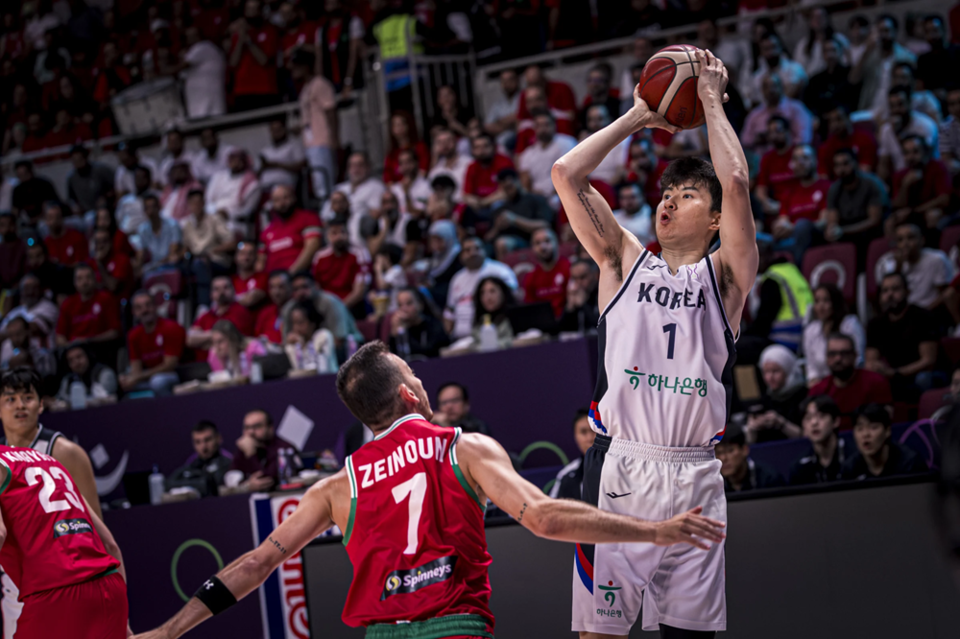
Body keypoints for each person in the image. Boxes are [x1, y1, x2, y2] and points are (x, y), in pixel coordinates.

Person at [130, 342, 724, 639]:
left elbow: (258, 563)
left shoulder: (339, 486)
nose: (419, 377)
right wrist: (653, 529)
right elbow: (542, 517)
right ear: (411, 395)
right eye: (413, 372)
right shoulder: (463, 447)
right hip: (453, 624)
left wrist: (168, 631)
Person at [553, 49, 757, 637]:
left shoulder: (724, 280)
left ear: (716, 221)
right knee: (600, 635)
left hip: (696, 474)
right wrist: (641, 115)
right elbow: (567, 173)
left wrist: (711, 100)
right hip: (621, 468)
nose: (668, 201)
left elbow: (737, 182)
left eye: (688, 196)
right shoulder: (622, 261)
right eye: (667, 194)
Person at [0, 367, 113, 635]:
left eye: (27, 397)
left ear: (41, 404)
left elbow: (97, 531)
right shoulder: (3, 457)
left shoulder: (65, 452)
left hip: (61, 580)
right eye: (10, 399)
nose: (20, 406)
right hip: (14, 585)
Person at [0, 442, 129, 638]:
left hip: (57, 594)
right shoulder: (47, 460)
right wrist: (123, 619)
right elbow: (111, 544)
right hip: (110, 587)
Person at [865, 272, 941, 403]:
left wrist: (895, 373)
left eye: (895, 289)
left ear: (907, 291)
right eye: (885, 291)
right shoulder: (875, 324)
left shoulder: (923, 317)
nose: (890, 295)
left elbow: (928, 361)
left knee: (923, 379)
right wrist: (878, 368)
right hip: (894, 375)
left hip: (925, 374)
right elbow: (870, 361)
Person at [808, 332, 893, 428]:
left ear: (855, 355)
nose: (838, 358)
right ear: (826, 358)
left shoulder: (876, 382)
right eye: (832, 354)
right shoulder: (818, 391)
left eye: (844, 353)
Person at [877, 223, 956, 321]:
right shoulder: (891, 264)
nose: (905, 243)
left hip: (930, 312)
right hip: (903, 315)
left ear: (922, 240)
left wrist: (922, 313)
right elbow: (889, 297)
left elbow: (945, 294)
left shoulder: (936, 259)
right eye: (900, 240)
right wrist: (899, 267)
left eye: (910, 238)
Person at [443, 237, 518, 340]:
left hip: (493, 332)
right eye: (467, 250)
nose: (473, 253)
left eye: (477, 248)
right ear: (461, 256)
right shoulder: (457, 278)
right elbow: (449, 311)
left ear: (485, 250)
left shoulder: (500, 270)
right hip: (461, 339)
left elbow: (513, 299)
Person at [822, 148, 886, 262]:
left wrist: (843, 231)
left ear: (855, 163)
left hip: (870, 230)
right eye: (837, 165)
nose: (841, 169)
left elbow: (874, 220)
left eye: (845, 164)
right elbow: (832, 220)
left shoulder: (871, 184)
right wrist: (831, 231)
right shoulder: (834, 189)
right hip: (846, 230)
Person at [771, 144, 831, 264]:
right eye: (796, 159)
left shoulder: (827, 187)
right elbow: (783, 220)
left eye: (805, 158)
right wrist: (778, 227)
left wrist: (795, 228)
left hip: (815, 238)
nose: (800, 162)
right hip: (790, 239)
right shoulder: (789, 192)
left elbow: (824, 222)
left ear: (815, 161)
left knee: (802, 226)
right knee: (757, 240)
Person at [120, 291, 185, 397]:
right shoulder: (133, 335)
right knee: (124, 384)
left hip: (173, 375)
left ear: (156, 306)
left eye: (148, 305)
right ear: (133, 312)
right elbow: (136, 368)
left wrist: (138, 377)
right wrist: (129, 378)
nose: (144, 310)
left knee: (158, 381)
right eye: (139, 307)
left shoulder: (171, 328)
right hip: (147, 377)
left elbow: (169, 365)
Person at [291, 51, 338, 199]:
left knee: (325, 181)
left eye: (297, 66)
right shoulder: (306, 88)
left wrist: (335, 138)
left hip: (323, 140)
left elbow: (330, 111)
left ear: (306, 66)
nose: (294, 70)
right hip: (311, 142)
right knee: (318, 182)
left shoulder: (320, 84)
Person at [840, 403, 929, 480]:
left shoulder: (910, 463)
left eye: (873, 427)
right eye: (860, 429)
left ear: (887, 431)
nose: (865, 434)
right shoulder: (850, 468)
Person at [803, 284, 865, 387]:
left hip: (849, 382)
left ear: (835, 302)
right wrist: (813, 380)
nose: (821, 306)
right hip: (822, 384)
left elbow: (858, 359)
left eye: (826, 301)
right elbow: (811, 367)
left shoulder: (850, 325)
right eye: (817, 301)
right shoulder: (810, 330)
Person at [888, 135, 952, 234]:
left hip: (930, 211)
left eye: (915, 152)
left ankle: (932, 247)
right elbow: (898, 204)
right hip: (912, 213)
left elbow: (944, 199)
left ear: (925, 152)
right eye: (906, 153)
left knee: (932, 215)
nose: (911, 157)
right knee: (890, 221)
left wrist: (914, 211)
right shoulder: (900, 175)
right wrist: (905, 185)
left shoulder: (937, 167)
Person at [485, 168, 553, 259]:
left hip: (532, 241)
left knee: (502, 243)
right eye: (504, 188)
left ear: (518, 181)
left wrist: (515, 220)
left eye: (510, 186)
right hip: (505, 244)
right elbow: (487, 238)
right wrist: (497, 227)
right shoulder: (500, 208)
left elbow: (545, 225)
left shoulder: (535, 200)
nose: (508, 190)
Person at [878, 86, 941, 181]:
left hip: (927, 178)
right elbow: (884, 163)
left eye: (900, 104)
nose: (896, 110)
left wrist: (898, 134)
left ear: (909, 103)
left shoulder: (925, 126)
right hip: (900, 179)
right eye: (892, 106)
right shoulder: (886, 130)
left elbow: (927, 160)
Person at [290, 272, 365, 351]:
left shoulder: (330, 303)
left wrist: (311, 347)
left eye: (305, 287)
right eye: (296, 289)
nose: (300, 292)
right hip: (314, 349)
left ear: (316, 286)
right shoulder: (291, 308)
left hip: (348, 348)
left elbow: (339, 340)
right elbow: (287, 341)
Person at [323, 152, 386, 247]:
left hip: (362, 232)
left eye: (360, 165)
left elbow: (375, 213)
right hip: (338, 228)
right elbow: (325, 213)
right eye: (352, 165)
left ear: (368, 167)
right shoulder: (339, 188)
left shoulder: (376, 186)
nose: (356, 169)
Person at [740, 74, 813, 155]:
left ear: (782, 87)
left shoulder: (796, 109)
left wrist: (783, 141)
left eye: (774, 86)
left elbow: (804, 139)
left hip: (790, 159)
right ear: (762, 90)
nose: (770, 90)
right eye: (766, 87)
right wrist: (758, 140)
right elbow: (744, 141)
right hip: (761, 161)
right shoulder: (755, 114)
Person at [227, 0, 279, 112]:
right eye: (249, 9)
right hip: (242, 90)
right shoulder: (239, 34)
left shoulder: (270, 30)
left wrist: (249, 42)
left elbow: (264, 60)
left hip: (265, 89)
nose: (252, 13)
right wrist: (241, 40)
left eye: (255, 9)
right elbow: (233, 63)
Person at [747, 345, 805, 443]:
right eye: (766, 372)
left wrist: (781, 423)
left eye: (775, 371)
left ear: (788, 370)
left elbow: (806, 436)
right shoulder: (765, 399)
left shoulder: (803, 395)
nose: (770, 377)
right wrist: (752, 428)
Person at [259, 184, 322, 274]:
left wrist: (291, 274)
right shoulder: (267, 230)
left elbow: (312, 247)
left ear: (294, 198)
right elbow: (260, 261)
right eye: (277, 200)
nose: (282, 203)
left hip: (300, 277)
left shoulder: (308, 218)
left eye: (286, 198)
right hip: (273, 282)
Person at [230, 408, 298, 491]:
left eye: (257, 426)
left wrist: (251, 454)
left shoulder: (284, 448)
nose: (251, 432)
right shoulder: (243, 448)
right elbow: (231, 476)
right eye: (247, 427)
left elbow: (266, 482)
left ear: (270, 428)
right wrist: (246, 485)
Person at [54, 264, 120, 348]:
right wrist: (69, 347)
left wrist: (88, 341)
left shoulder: (106, 299)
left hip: (100, 348)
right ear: (74, 282)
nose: (84, 282)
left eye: (88, 277)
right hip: (74, 349)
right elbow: (60, 336)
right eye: (79, 279)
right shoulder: (68, 304)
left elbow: (114, 332)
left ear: (95, 279)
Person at [312, 218, 369, 314]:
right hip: (326, 307)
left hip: (351, 307)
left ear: (348, 234)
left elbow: (359, 291)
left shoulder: (359, 254)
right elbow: (316, 288)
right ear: (327, 236)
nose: (339, 236)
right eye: (334, 233)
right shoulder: (319, 257)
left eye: (343, 232)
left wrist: (338, 309)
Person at [788, 395, 848, 485]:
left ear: (836, 421)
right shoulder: (799, 468)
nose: (814, 422)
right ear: (803, 426)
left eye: (821, 416)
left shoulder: (855, 458)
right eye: (808, 418)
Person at [189, 276, 255, 356]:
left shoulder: (241, 312)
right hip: (201, 363)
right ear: (211, 294)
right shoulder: (207, 315)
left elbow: (229, 338)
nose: (221, 292)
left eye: (226, 288)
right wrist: (213, 336)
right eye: (216, 289)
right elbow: (189, 338)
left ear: (234, 291)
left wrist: (202, 340)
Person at [204, 148, 262, 236]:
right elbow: (208, 200)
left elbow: (248, 211)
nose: (234, 162)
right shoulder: (218, 177)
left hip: (235, 222)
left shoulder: (252, 183)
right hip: (212, 216)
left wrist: (228, 214)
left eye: (238, 159)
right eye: (232, 158)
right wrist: (215, 212)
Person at [167, 421, 234, 496]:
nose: (203, 447)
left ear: (218, 438)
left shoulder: (229, 462)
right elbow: (169, 483)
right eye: (198, 442)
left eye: (207, 440)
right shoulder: (191, 464)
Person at [716, 424, 784, 493]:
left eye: (730, 450)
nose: (723, 458)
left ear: (744, 450)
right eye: (718, 453)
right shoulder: (713, 484)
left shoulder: (769, 479)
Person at [178, 25, 227, 119]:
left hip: (208, 105)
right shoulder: (193, 51)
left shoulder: (204, 47)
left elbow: (180, 67)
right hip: (199, 104)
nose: (189, 39)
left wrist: (158, 73)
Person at [818, 104, 878, 178]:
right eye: (830, 121)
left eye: (839, 119)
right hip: (837, 187)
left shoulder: (865, 139)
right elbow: (823, 177)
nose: (835, 125)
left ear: (848, 118)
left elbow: (865, 171)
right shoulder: (826, 147)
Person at [747, 33, 808, 105]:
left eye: (773, 47)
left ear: (780, 47)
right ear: (761, 51)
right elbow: (754, 102)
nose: (771, 52)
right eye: (766, 49)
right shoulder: (757, 77)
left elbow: (789, 96)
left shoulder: (795, 69)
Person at [388, 288, 449, 360]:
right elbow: (392, 359)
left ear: (420, 305)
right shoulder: (400, 331)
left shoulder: (434, 326)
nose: (404, 309)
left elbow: (429, 353)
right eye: (400, 305)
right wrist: (394, 335)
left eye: (409, 303)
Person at [0, 274, 58, 348]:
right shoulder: (15, 311)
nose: (30, 292)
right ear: (21, 291)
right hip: (9, 357)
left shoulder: (49, 307)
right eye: (26, 288)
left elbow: (36, 328)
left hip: (39, 354)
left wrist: (12, 331)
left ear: (40, 290)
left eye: (34, 288)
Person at [524, 228, 570, 319]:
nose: (542, 247)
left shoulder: (569, 269)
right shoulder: (530, 277)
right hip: (542, 324)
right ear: (532, 248)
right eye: (537, 243)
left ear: (556, 243)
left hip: (568, 320)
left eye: (547, 241)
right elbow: (530, 307)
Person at [549, 409, 595, 499]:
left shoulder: (620, 468)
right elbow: (554, 509)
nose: (590, 438)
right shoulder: (567, 475)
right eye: (583, 432)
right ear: (575, 436)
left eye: (593, 430)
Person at [462, 133, 513, 213]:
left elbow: (506, 193)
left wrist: (483, 202)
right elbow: (466, 195)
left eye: (485, 146)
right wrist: (474, 202)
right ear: (472, 150)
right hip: (479, 206)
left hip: (501, 205)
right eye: (477, 147)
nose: (481, 150)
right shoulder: (471, 167)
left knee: (498, 204)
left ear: (494, 147)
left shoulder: (504, 162)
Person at [284, 300, 338, 373]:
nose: (296, 328)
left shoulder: (323, 336)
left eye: (300, 323)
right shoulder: (293, 344)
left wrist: (303, 347)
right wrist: (293, 347)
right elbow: (298, 372)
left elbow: (322, 369)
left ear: (312, 323)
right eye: (293, 323)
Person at [137, 194, 184, 275]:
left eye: (153, 207)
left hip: (170, 264)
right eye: (147, 208)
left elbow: (172, 253)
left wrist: (155, 265)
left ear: (159, 207)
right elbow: (140, 255)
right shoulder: (142, 230)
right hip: (153, 266)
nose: (150, 211)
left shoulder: (172, 225)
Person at [258, 118, 306, 194]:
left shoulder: (294, 145)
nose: (276, 132)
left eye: (278, 129)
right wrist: (264, 167)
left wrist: (277, 165)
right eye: (273, 130)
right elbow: (257, 172)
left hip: (285, 187)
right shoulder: (265, 150)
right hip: (265, 188)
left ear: (285, 129)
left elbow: (301, 165)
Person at [66, 145, 115, 218]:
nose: (78, 162)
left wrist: (106, 197)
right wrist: (74, 207)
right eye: (75, 160)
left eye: (80, 159)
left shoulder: (101, 170)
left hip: (106, 209)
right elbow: (71, 199)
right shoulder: (71, 178)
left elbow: (116, 188)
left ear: (86, 157)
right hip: (85, 213)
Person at [471, 276, 515, 349]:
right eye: (483, 293)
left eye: (492, 291)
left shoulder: (515, 318)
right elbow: (474, 344)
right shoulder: (479, 322)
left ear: (503, 292)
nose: (488, 297)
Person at [427, 127, 472, 198]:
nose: (445, 144)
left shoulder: (469, 163)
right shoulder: (436, 171)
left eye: (448, 140)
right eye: (440, 142)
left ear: (456, 141)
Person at [559, 258, 601, 333]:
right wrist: (569, 308)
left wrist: (583, 305)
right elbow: (563, 330)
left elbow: (601, 327)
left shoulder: (603, 293)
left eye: (582, 277)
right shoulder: (574, 294)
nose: (578, 282)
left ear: (595, 275)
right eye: (574, 278)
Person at [42, 202, 87, 267]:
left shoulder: (76, 237)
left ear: (62, 218)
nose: (54, 221)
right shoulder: (45, 244)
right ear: (46, 220)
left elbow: (81, 263)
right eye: (50, 218)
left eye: (57, 217)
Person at [256, 270, 295, 344]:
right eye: (272, 287)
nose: (276, 292)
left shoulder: (298, 312)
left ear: (291, 287)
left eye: (281, 287)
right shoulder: (265, 313)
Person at [233, 242, 267, 310]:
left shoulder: (263, 277)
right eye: (242, 253)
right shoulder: (231, 280)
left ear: (256, 257)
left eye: (250, 254)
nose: (246, 257)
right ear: (235, 257)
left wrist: (231, 300)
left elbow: (250, 300)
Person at [0, 213, 27, 290]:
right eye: (2, 225)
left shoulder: (23, 247)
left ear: (15, 226)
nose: (7, 228)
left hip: (21, 289)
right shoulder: (1, 249)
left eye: (10, 224)